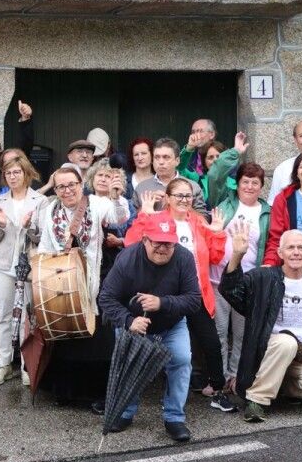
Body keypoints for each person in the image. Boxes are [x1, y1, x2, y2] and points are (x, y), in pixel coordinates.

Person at [220, 229, 302, 422]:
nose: (296, 252)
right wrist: (237, 255)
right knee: (286, 342)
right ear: (280, 253)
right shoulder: (264, 278)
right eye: (290, 247)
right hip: (269, 351)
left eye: (301, 247)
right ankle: (256, 400)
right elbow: (230, 291)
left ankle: (280, 385)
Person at [127, 178, 232, 411]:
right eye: (180, 195)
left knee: (211, 343)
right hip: (162, 295)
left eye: (189, 196)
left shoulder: (198, 222)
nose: (185, 200)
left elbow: (215, 257)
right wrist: (144, 215)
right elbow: (131, 245)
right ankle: (138, 393)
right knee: (156, 344)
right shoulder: (156, 220)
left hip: (194, 294)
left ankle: (217, 390)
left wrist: (217, 232)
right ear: (168, 197)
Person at [99, 217, 202, 442]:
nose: (163, 248)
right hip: (134, 324)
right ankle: (125, 412)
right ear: (145, 240)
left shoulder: (184, 258)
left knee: (182, 360)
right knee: (129, 365)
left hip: (171, 324)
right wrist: (128, 321)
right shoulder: (127, 259)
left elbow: (194, 300)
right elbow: (106, 298)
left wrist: (162, 303)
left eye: (168, 243)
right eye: (157, 242)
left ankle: (174, 418)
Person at [34, 165, 129, 405]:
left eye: (71, 185)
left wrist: (116, 197)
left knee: (96, 338)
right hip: (62, 282)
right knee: (68, 337)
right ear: (55, 189)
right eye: (61, 187)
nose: (67, 191)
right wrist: (44, 270)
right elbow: (45, 245)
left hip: (93, 281)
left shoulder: (96, 203)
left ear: (80, 185)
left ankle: (98, 396)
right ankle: (68, 395)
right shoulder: (50, 210)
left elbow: (119, 217)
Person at [0, 149, 44, 385]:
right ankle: (4, 363)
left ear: (26, 173)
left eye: (17, 172)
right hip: (2, 265)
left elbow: (41, 238)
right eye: (8, 173)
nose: (12, 176)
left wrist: (29, 227)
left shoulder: (40, 201)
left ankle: (26, 364)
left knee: (28, 316)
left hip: (28, 266)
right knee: (4, 314)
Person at [210, 158, 270, 391]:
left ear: (261, 186)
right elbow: (215, 176)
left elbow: (269, 244)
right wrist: (235, 152)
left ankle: (235, 375)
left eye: (255, 182)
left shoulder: (267, 212)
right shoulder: (224, 204)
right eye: (245, 181)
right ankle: (219, 377)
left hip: (248, 281)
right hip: (219, 278)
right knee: (219, 332)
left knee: (243, 333)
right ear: (238, 183)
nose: (250, 187)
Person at [131, 138, 206, 214]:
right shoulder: (141, 188)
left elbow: (204, 219)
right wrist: (145, 206)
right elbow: (130, 221)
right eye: (157, 157)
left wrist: (183, 204)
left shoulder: (193, 187)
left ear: (177, 161)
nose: (161, 162)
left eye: (166, 157)